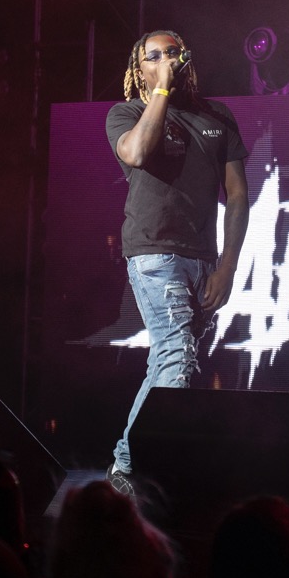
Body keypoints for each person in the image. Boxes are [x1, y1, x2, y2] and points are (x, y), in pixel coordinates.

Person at [105, 30, 250, 494]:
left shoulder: (216, 116)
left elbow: (238, 196)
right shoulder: (127, 114)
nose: (166, 59)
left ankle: (134, 466)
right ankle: (132, 469)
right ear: (140, 68)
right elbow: (136, 153)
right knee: (175, 355)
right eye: (154, 56)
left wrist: (227, 267)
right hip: (154, 253)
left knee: (169, 362)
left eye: (173, 53)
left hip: (203, 258)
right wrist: (162, 92)